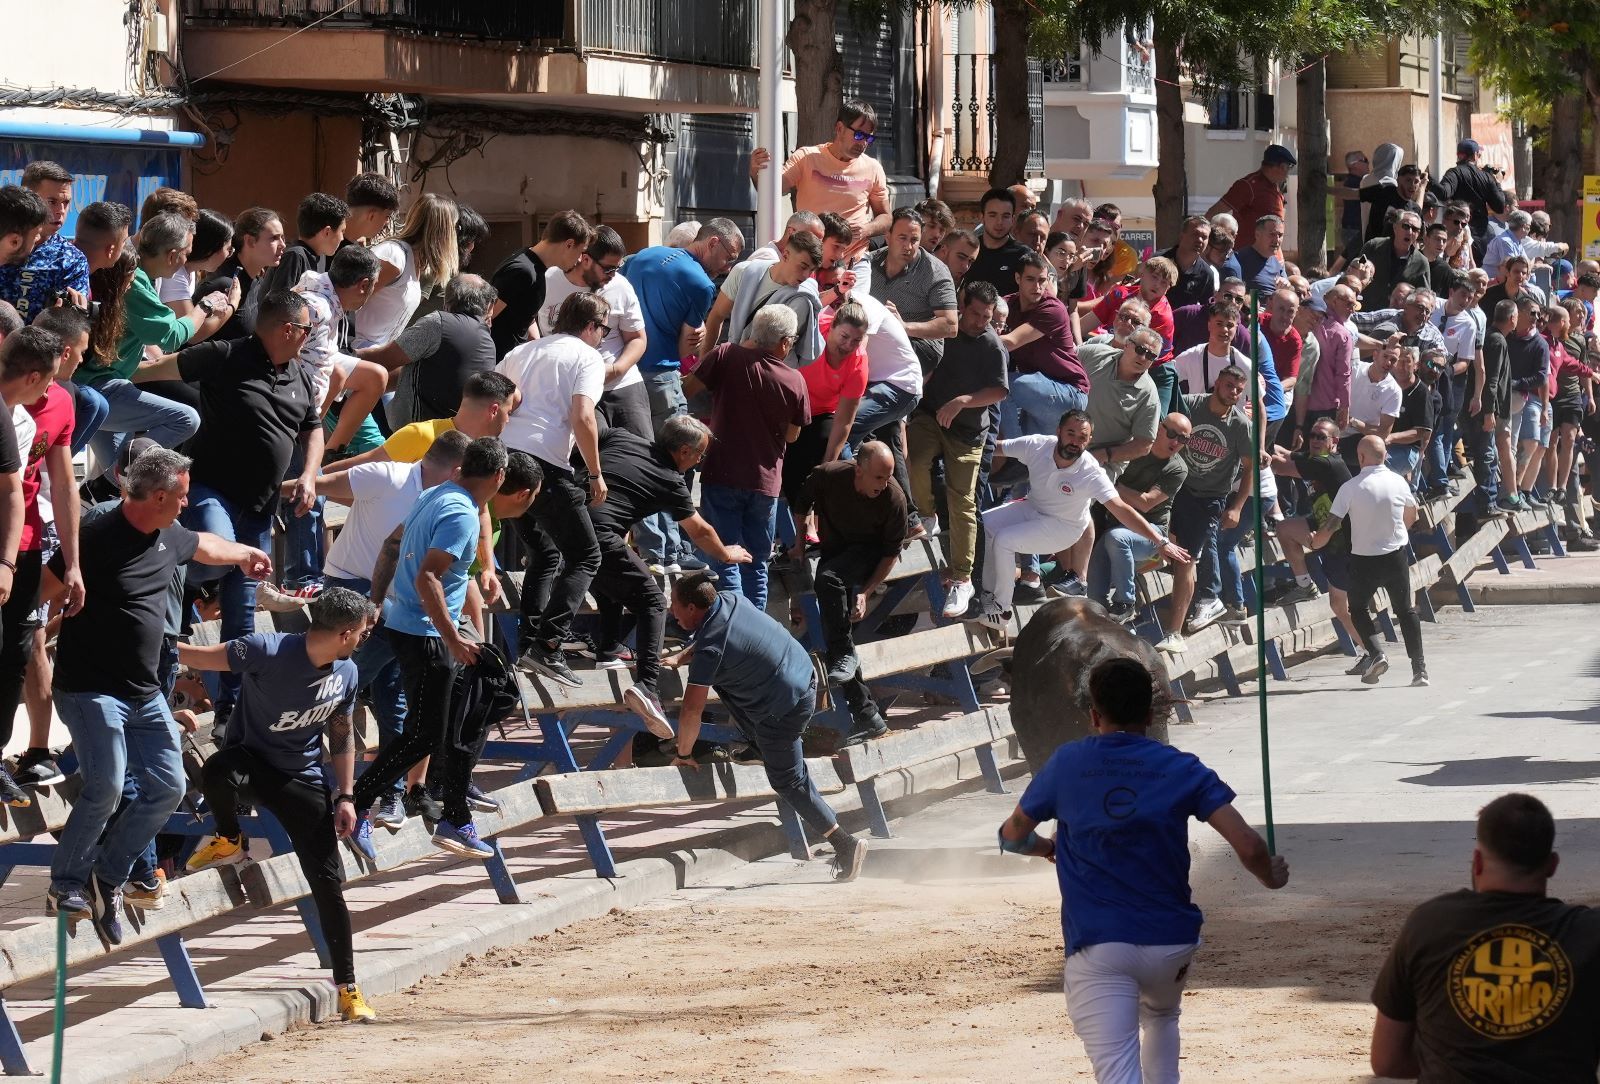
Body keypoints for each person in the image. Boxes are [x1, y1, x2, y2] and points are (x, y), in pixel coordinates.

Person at [999, 655, 1289, 1084]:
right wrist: (1270, 876)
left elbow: (1012, 836)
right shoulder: (1183, 767)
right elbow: (1247, 845)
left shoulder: (1067, 763)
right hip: (1171, 943)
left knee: (1119, 1073)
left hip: (1100, 947)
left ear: (1094, 714)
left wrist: (1045, 848)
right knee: (1162, 1014)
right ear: (1150, 714)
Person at [40, 448, 272, 941]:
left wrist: (247, 554)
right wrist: (27, 639)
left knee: (168, 787)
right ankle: (65, 884)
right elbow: (38, 591)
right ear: (161, 495)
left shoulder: (171, 535)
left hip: (145, 693)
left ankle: (109, 874)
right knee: (106, 785)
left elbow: (207, 546)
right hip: (90, 690)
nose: (187, 504)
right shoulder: (95, 539)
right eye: (184, 496)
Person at [181, 588, 380, 1023]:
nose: (365, 637)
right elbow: (198, 657)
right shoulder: (265, 650)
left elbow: (341, 734)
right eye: (363, 632)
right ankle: (231, 839)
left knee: (329, 884)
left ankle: (348, 988)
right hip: (250, 766)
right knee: (217, 769)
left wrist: (345, 795)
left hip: (301, 780)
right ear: (346, 633)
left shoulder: (346, 672)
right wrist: (141, 637)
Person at [133, 290, 324, 730]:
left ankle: (229, 711)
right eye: (307, 331)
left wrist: (310, 476)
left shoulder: (300, 374)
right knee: (217, 559)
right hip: (211, 492)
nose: (309, 339)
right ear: (287, 329)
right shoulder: (226, 354)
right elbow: (155, 370)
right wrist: (107, 374)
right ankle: (190, 584)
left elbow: (312, 430)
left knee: (241, 615)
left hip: (259, 510)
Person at [351, 437, 508, 861]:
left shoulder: (435, 493)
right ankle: (357, 802)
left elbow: (392, 544)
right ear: (498, 477)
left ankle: (452, 816)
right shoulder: (461, 513)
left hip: (410, 626)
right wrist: (453, 637)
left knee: (443, 730)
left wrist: (378, 600)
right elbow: (428, 578)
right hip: (426, 635)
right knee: (428, 735)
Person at [1371, 792, 1600, 1081]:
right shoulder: (1590, 933)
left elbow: (1387, 1061)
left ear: (1477, 862)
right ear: (1552, 865)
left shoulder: (1430, 924)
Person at [307, 430, 473, 827]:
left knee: (394, 696)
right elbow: (314, 485)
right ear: (459, 470)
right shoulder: (388, 475)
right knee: (336, 685)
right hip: (350, 588)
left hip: (393, 597)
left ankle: (391, 794)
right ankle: (316, 782)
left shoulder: (441, 500)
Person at [664, 572, 869, 881]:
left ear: (693, 608)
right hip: (806, 676)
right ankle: (758, 744)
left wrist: (683, 752)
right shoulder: (731, 601)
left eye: (675, 605)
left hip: (783, 709)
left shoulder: (710, 650)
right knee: (733, 685)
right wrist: (684, 655)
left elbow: (692, 710)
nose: (671, 611)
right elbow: (715, 638)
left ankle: (845, 845)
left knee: (788, 782)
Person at [589, 416, 749, 736]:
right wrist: (725, 554)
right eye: (699, 455)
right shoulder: (670, 479)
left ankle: (603, 651)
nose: (699, 462)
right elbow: (700, 531)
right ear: (684, 451)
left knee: (617, 577)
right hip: (597, 539)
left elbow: (587, 431)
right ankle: (648, 687)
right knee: (652, 600)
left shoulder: (622, 439)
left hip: (572, 532)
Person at [973, 411, 1189, 630]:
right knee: (982, 525)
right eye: (1070, 433)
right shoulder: (1037, 445)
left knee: (1004, 540)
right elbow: (995, 447)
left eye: (1082, 438)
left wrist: (1161, 541)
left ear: (1089, 441)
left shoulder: (1091, 472)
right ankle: (988, 595)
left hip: (1063, 528)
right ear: (1058, 431)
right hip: (1033, 507)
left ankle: (1001, 610)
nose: (1075, 442)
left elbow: (1122, 509)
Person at [498, 292, 609, 688]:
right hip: (544, 463)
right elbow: (583, 415)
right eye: (605, 330)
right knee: (586, 556)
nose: (603, 338)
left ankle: (531, 642)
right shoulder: (587, 356)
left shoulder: (521, 352)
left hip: (505, 459)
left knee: (544, 553)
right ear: (591, 326)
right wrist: (595, 473)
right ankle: (548, 645)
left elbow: (499, 399)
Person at [622, 219, 743, 574]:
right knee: (673, 464)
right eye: (728, 257)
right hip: (660, 375)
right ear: (712, 243)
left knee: (638, 461)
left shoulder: (644, 256)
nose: (728, 266)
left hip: (626, 375)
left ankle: (651, 548)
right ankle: (670, 552)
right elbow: (686, 345)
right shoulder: (702, 284)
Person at [682, 304, 810, 610]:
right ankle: (753, 632)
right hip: (765, 484)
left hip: (722, 474)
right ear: (783, 342)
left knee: (724, 555)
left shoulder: (727, 355)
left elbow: (687, 389)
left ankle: (734, 626)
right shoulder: (795, 381)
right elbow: (793, 436)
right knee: (756, 563)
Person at [789, 443, 905, 743]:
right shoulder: (828, 475)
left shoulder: (893, 497)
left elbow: (891, 554)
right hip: (835, 550)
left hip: (870, 554)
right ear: (859, 470)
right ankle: (867, 714)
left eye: (888, 476)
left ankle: (846, 661)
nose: (883, 484)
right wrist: (800, 544)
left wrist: (865, 592)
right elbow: (801, 504)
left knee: (827, 581)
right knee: (833, 633)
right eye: (878, 477)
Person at [906, 280, 1008, 618]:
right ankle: (925, 513)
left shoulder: (992, 345)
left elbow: (999, 392)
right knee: (915, 460)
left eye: (987, 316)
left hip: (967, 430)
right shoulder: (945, 330)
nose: (980, 321)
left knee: (962, 500)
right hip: (930, 415)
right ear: (962, 307)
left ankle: (963, 579)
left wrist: (964, 401)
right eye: (975, 314)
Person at [1310, 434, 1425, 685]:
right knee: (1405, 610)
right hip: (1395, 556)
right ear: (1384, 455)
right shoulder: (1398, 482)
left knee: (1359, 609)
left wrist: (1314, 542)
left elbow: (1330, 526)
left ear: (1361, 457)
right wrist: (1399, 533)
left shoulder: (1350, 488)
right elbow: (1413, 514)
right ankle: (1419, 670)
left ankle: (1376, 653)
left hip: (1364, 560)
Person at [1160, 368, 1255, 653]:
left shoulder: (1240, 425)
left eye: (1239, 390)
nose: (1233, 393)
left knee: (1194, 550)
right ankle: (1203, 596)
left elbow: (1249, 469)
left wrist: (1236, 507)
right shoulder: (1191, 404)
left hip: (1212, 496)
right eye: (1229, 386)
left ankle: (1199, 607)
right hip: (1179, 485)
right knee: (1175, 546)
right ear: (1217, 384)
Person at [534, 226, 650, 438]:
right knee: (592, 457)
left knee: (641, 452)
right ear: (585, 259)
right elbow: (527, 319)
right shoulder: (547, 280)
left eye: (618, 268)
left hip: (621, 385)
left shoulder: (620, 287)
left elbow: (637, 338)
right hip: (570, 389)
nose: (613, 275)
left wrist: (616, 369)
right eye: (608, 269)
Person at [749, 101, 890, 266]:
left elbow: (887, 217)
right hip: (809, 261)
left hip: (854, 261)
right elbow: (773, 191)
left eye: (869, 137)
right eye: (859, 135)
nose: (863, 143)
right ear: (839, 128)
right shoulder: (807, 157)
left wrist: (867, 229)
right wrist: (755, 171)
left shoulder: (873, 168)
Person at [1086, 414, 1191, 624]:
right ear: (1159, 428)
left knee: (1118, 538)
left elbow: (1145, 503)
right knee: (1093, 594)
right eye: (1172, 434)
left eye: (1183, 439)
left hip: (1152, 533)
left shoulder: (1178, 468)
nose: (1176, 442)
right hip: (1112, 527)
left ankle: (1126, 603)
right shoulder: (1134, 447)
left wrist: (1110, 486)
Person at [361, 273, 497, 426]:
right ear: (486, 307)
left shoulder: (439, 324)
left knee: (364, 365)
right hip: (449, 435)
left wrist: (345, 353)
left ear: (447, 300)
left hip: (412, 428)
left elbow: (384, 359)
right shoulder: (488, 342)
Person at [783, 301, 870, 509]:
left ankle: (807, 518)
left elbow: (844, 421)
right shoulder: (812, 334)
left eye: (856, 341)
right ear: (830, 327)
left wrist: (826, 465)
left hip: (820, 413)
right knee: (788, 456)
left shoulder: (858, 363)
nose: (848, 346)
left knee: (820, 452)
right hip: (787, 405)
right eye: (844, 337)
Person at [353, 191, 459, 350]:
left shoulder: (415, 261)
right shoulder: (394, 257)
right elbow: (349, 298)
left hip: (377, 351)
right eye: (454, 225)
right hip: (356, 348)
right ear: (443, 229)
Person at [489, 209, 592, 358]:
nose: (580, 260)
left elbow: (526, 318)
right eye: (580, 252)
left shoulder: (535, 268)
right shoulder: (522, 271)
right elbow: (486, 316)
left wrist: (539, 351)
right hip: (499, 364)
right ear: (569, 244)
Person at [869, 207, 957, 376]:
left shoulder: (936, 271)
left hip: (919, 343)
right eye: (902, 238)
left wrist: (903, 327)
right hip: (874, 334)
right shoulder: (868, 263)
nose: (908, 246)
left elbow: (950, 325)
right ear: (888, 236)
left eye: (914, 240)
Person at [0, 161, 89, 321]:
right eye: (52, 202)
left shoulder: (70, 259)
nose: (60, 211)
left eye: (66, 203)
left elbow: (72, 327)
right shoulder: (4, 237)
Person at [1206, 144, 1296, 249]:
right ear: (1279, 167)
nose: (1287, 173)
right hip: (1247, 257)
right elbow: (1213, 212)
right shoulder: (1248, 185)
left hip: (1272, 256)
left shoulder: (1276, 188)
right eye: (1287, 167)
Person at [1431, 139, 1510, 256]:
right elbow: (1499, 206)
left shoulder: (1455, 173)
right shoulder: (1487, 177)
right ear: (1475, 155)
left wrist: (1429, 181)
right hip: (1480, 234)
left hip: (1457, 234)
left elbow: (1444, 193)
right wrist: (1497, 182)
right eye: (1479, 154)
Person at [967, 187, 1034, 296]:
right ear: (982, 217)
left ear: (1013, 219)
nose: (999, 222)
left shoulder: (1024, 255)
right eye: (993, 215)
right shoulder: (968, 250)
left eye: (1005, 216)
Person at [1235, 214, 1288, 295]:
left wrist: (1286, 285)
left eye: (1280, 235)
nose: (1277, 240)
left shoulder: (1277, 263)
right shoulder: (1239, 259)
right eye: (1272, 234)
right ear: (1257, 235)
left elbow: (1288, 291)